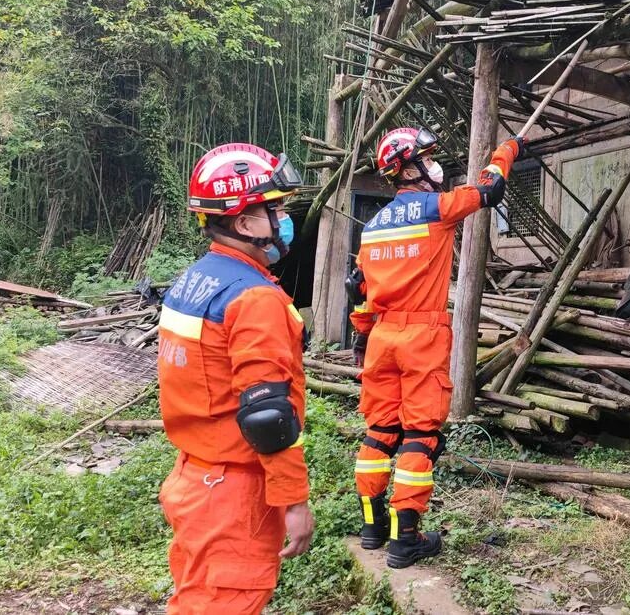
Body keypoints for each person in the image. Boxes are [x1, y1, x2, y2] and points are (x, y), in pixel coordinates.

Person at [345, 127, 520, 568]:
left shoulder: (372, 229)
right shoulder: (437, 209)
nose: (435, 165)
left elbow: (361, 292)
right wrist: (507, 149)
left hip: (381, 337)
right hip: (421, 337)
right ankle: (407, 539)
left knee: (380, 431)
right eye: (427, 157)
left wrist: (364, 338)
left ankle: (372, 528)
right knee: (421, 437)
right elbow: (488, 188)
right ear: (408, 168)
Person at [157, 142, 315, 614]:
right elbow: (268, 416)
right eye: (276, 209)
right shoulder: (254, 298)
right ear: (245, 223)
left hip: (194, 477)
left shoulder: (195, 280)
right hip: (234, 491)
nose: (284, 219)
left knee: (196, 597)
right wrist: (293, 502)